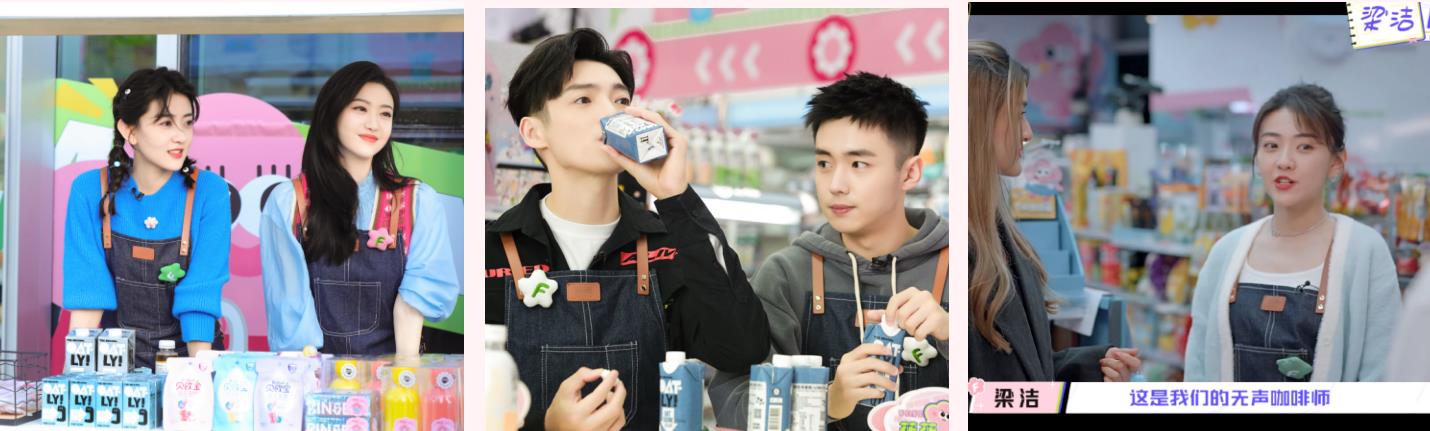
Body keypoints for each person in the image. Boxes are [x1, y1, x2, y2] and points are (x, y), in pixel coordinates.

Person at [486, 28, 769, 430]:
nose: (612, 114)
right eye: (584, 99)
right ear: (534, 132)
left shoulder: (670, 244)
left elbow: (743, 349)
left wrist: (676, 197)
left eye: (620, 100)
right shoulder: (491, 251)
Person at [709, 71, 950, 430]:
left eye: (858, 164)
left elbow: (1013, 387)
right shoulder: (786, 276)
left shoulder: (969, 269)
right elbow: (733, 401)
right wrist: (828, 400)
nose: (835, 185)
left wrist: (954, 336)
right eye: (824, 163)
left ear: (910, 173)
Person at [1185, 83, 1400, 382]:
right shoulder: (1227, 251)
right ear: (1257, 158)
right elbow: (1198, 367)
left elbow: (1383, 374)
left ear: (1336, 163)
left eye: (1305, 147)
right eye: (1271, 145)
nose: (1284, 161)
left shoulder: (1365, 252)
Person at [966, 40, 1141, 383]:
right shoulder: (963, 248)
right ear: (981, 120)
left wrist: (1092, 366)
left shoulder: (997, 230)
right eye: (1018, 113)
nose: (1028, 132)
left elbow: (1023, 369)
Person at [261, 61, 460, 357]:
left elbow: (413, 304)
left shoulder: (417, 202)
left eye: (385, 114)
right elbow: (292, 316)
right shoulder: (289, 202)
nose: (374, 124)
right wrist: (314, 381)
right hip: (316, 373)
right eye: (360, 109)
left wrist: (404, 374)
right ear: (332, 113)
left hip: (394, 373)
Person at [64, 67, 230, 369]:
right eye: (165, 123)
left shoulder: (210, 192)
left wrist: (198, 379)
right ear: (130, 131)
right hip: (114, 366)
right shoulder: (89, 190)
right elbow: (89, 294)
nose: (180, 136)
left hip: (190, 359)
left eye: (187, 123)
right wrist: (73, 380)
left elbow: (200, 294)